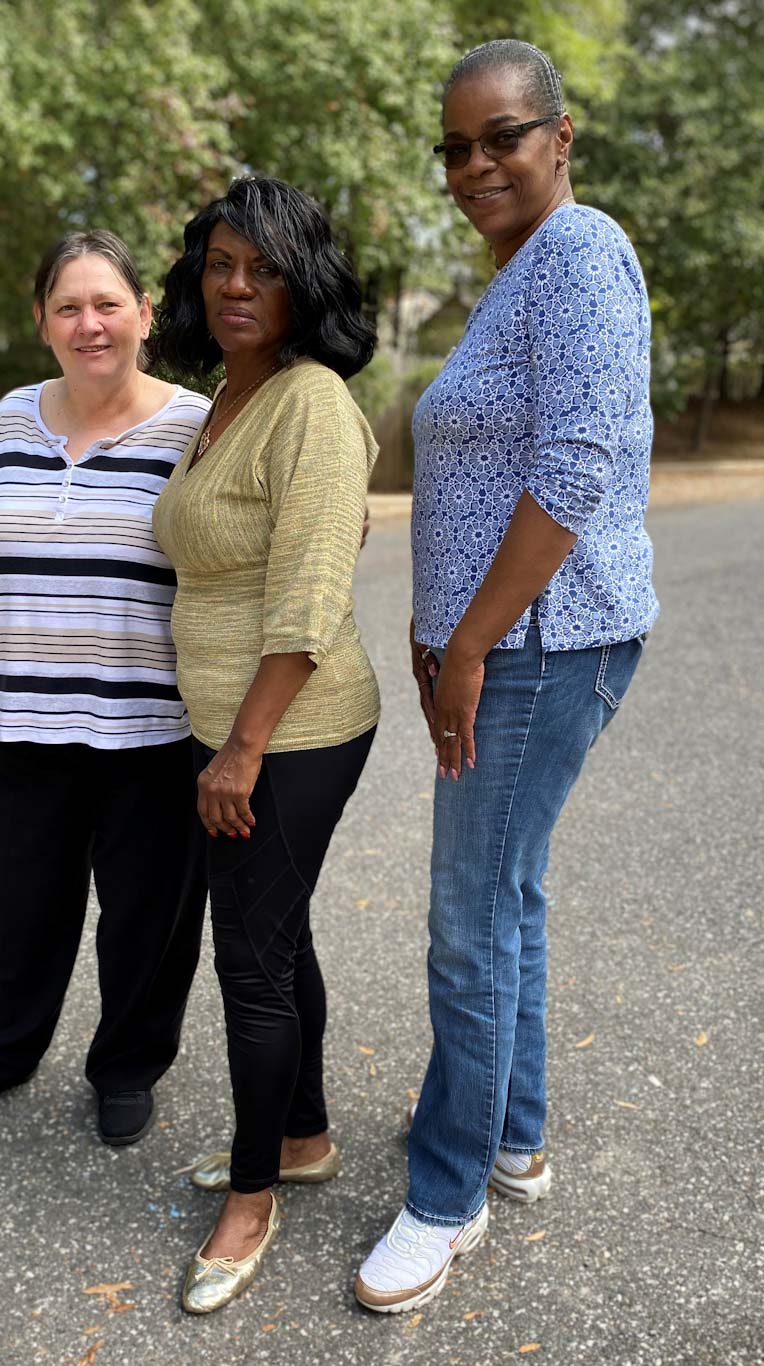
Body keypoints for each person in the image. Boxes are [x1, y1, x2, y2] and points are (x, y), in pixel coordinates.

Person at [355, 41, 659, 1313]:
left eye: (501, 137)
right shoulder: (516, 276)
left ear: (560, 136)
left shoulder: (582, 253)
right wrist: (444, 632)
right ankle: (513, 1134)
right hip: (505, 642)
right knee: (508, 895)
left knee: (468, 915)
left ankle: (446, 1196)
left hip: (541, 643)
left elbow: (574, 468)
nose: (474, 164)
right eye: (455, 147)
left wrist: (468, 641)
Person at [0, 230, 210, 1146]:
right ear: (43, 322)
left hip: (156, 731)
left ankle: (126, 1069)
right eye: (68, 308)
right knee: (18, 911)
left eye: (107, 304)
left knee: (148, 922)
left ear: (145, 314)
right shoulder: (9, 420)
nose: (90, 324)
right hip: (30, 723)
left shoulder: (200, 426)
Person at [151, 175, 379, 1313]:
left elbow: (305, 598)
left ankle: (250, 1196)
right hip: (234, 727)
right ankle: (300, 1134)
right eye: (222, 264)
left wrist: (237, 751)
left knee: (247, 958)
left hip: (292, 727)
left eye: (267, 268)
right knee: (276, 938)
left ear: (305, 287)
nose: (239, 285)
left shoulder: (313, 405)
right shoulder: (223, 400)